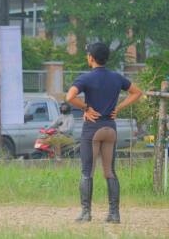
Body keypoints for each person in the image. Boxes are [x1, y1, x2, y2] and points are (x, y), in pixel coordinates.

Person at [66, 42, 142, 224]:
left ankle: (86, 213)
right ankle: (114, 214)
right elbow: (137, 92)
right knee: (110, 172)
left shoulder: (85, 78)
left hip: (93, 129)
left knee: (87, 172)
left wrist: (85, 107)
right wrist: (119, 107)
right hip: (110, 129)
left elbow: (69, 97)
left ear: (91, 58)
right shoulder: (116, 77)